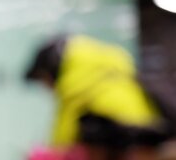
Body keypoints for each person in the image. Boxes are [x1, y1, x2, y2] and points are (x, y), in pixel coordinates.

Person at [23, 34, 163, 147]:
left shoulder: (77, 90)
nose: (47, 89)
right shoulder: (121, 78)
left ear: (53, 71)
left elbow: (59, 149)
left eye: (44, 81)